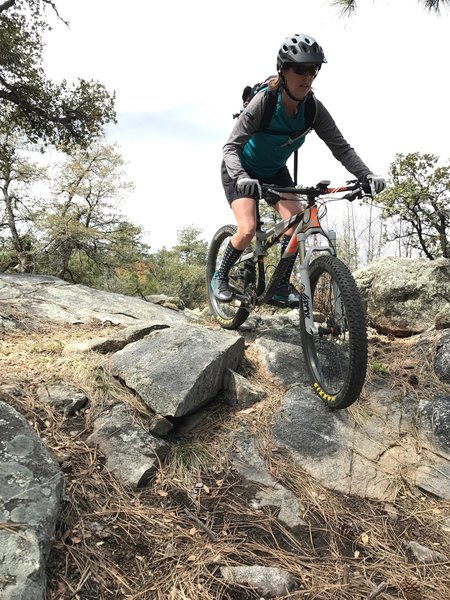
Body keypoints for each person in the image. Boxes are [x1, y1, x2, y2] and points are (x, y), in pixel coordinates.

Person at [211, 33, 386, 304]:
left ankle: (280, 286)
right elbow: (230, 148)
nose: (308, 76)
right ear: (284, 70)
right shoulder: (265, 102)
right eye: (300, 69)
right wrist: (242, 178)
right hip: (241, 169)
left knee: (296, 224)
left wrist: (366, 175)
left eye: (313, 69)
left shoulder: (313, 108)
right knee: (247, 229)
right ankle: (219, 277)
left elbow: (341, 148)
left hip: (275, 172)